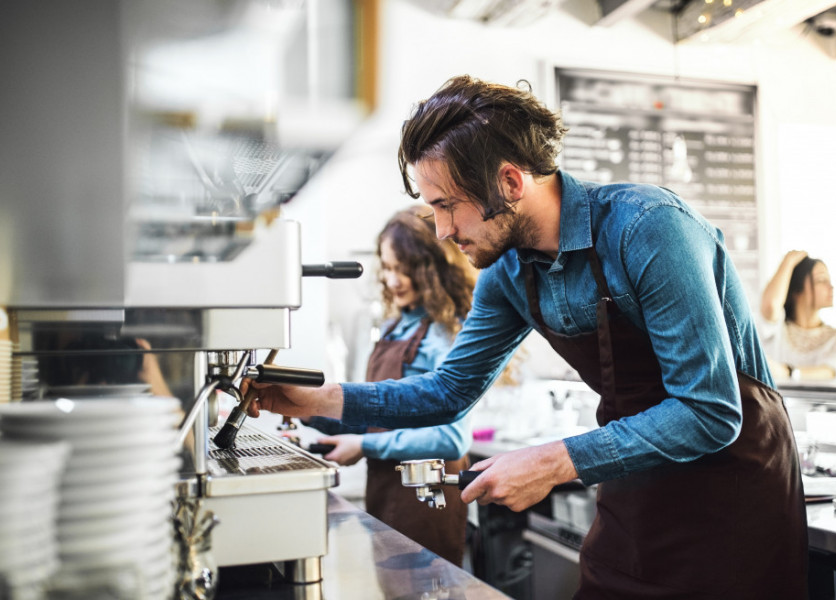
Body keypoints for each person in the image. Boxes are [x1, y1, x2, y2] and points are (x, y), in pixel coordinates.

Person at [247, 75, 807, 599]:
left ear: (510, 182)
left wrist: (553, 461)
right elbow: (447, 392)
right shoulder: (508, 274)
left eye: (447, 205)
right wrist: (319, 399)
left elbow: (708, 411)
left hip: (735, 485)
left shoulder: (648, 228)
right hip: (636, 487)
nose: (441, 231)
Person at [304, 206, 477, 567]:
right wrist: (308, 410)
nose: (392, 279)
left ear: (430, 269)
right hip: (387, 491)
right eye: (387, 267)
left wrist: (364, 444)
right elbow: (380, 416)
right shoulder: (392, 326)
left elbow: (452, 438)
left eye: (404, 269)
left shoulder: (444, 334)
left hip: (426, 498)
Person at [759, 249, 836, 382]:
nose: (831, 286)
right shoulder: (776, 331)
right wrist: (788, 262)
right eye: (821, 280)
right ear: (797, 288)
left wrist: (788, 372)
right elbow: (770, 305)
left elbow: (829, 372)